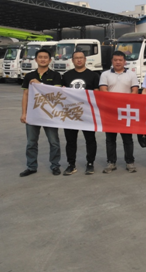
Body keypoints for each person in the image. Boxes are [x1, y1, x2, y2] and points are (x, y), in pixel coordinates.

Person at [19, 49, 63, 177]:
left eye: (45, 57)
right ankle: (31, 166)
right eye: (40, 57)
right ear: (36, 59)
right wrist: (24, 113)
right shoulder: (29, 76)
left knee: (54, 142)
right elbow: (25, 95)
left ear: (50, 60)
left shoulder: (56, 75)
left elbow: (56, 93)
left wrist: (40, 84)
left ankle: (55, 165)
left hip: (50, 114)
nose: (43, 59)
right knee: (31, 142)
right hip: (33, 114)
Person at [99, 51, 139, 173]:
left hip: (125, 111)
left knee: (127, 139)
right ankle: (111, 162)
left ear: (124, 62)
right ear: (112, 61)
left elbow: (135, 91)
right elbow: (103, 90)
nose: (118, 62)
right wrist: (115, 102)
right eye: (115, 60)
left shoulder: (131, 75)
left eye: (120, 60)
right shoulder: (105, 74)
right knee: (110, 139)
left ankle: (130, 162)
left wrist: (123, 102)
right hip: (110, 111)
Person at [61, 51, 100, 176]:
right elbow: (60, 93)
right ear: (72, 60)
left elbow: (97, 94)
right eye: (76, 58)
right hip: (70, 114)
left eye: (81, 58)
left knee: (90, 139)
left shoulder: (93, 75)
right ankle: (71, 164)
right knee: (70, 141)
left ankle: (90, 163)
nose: (79, 60)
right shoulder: (66, 76)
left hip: (87, 113)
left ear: (85, 59)